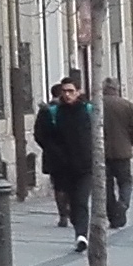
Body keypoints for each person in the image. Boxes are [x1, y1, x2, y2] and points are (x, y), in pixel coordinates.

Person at [33, 78, 95, 245]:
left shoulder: (88, 110)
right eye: (64, 91)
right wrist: (54, 151)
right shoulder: (52, 112)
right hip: (62, 167)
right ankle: (76, 224)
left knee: (81, 201)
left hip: (84, 166)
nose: (67, 95)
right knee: (72, 202)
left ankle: (81, 235)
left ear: (78, 92)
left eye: (71, 91)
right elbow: (41, 135)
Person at [99, 76, 133, 227]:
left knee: (106, 185)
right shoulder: (127, 105)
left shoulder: (97, 105)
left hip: (101, 152)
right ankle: (123, 204)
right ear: (117, 89)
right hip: (123, 152)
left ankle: (112, 215)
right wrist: (129, 142)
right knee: (125, 182)